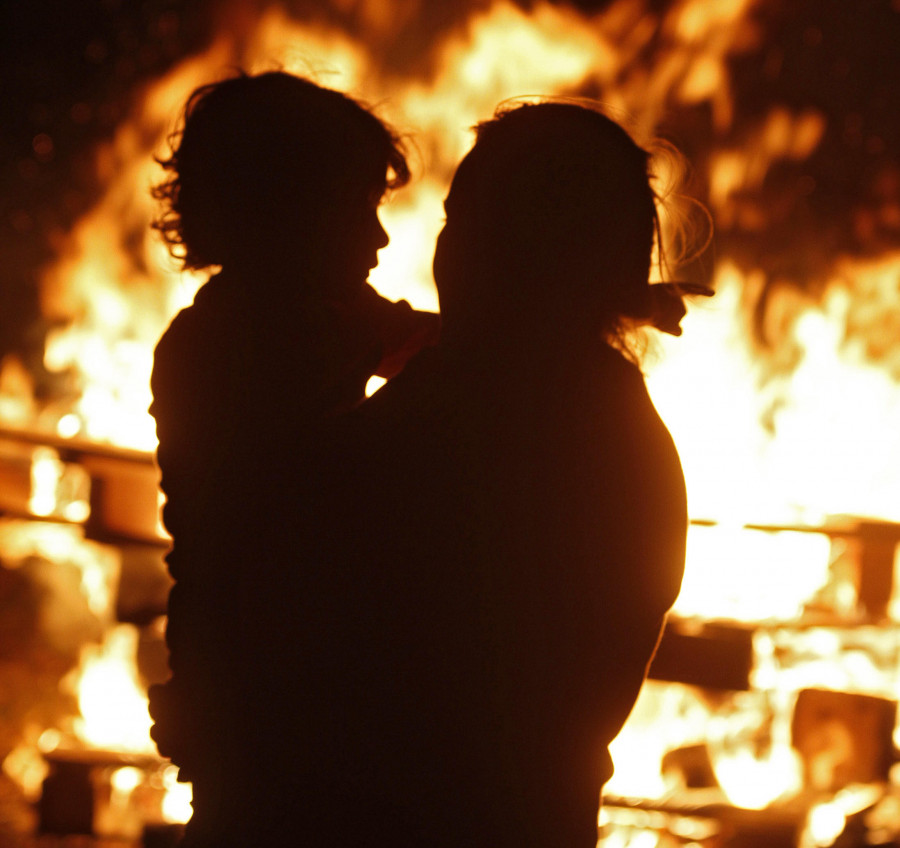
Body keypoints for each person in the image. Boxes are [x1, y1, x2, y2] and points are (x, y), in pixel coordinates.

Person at [256, 100, 704, 846]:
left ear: (516, 255)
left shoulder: (459, 415)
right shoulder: (617, 425)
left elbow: (287, 545)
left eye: (463, 225)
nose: (444, 251)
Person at [146, 70, 438, 846]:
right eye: (358, 212)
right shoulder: (235, 350)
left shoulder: (321, 322)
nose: (378, 240)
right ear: (286, 213)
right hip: (263, 694)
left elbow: (430, 346)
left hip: (270, 691)